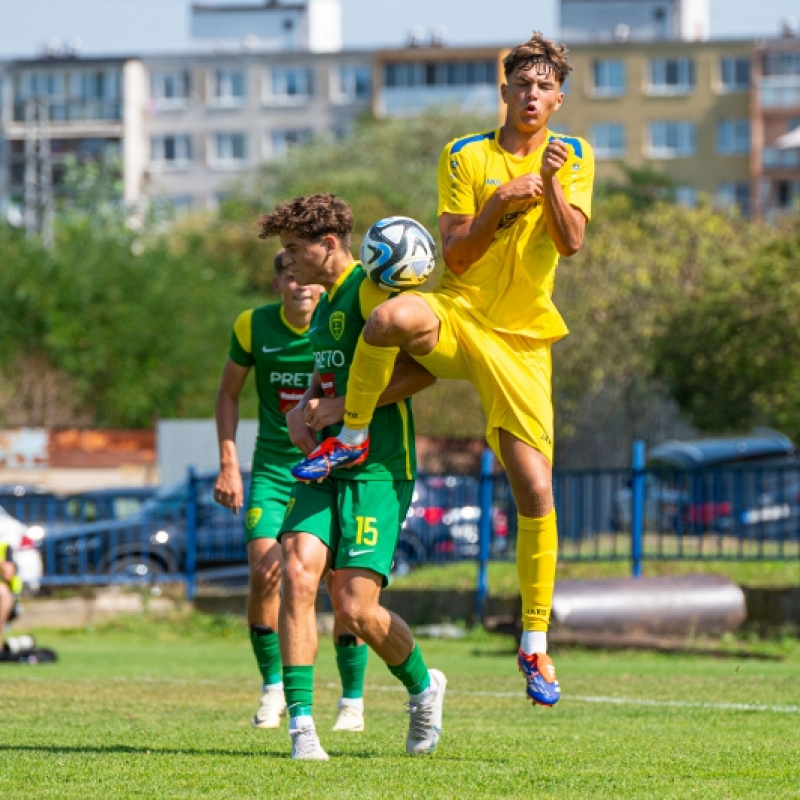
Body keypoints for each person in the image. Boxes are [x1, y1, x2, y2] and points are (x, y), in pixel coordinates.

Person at [293, 32, 595, 708]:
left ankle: (535, 642)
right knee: (389, 320)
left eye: (545, 87)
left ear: (558, 99)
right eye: (522, 84)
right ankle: (353, 432)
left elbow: (571, 242)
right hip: (459, 315)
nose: (532, 96)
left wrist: (545, 184)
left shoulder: (573, 156)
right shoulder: (465, 154)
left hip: (523, 344)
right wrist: (498, 202)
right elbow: (453, 257)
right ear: (505, 90)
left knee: (536, 492)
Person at [258, 193, 446, 761]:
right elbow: (328, 362)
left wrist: (341, 410)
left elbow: (426, 373)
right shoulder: (327, 305)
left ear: (329, 246)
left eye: (294, 250)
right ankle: (302, 728)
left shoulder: (375, 292)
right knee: (296, 570)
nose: (287, 261)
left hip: (380, 467)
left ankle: (423, 688)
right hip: (327, 466)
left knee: (355, 609)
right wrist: (305, 405)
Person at [214, 251, 369, 733]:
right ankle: (272, 688)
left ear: (322, 284)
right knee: (265, 572)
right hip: (274, 470)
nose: (299, 286)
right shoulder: (252, 326)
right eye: (288, 276)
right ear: (279, 283)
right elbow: (227, 394)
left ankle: (352, 701)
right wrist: (228, 464)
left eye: (305, 277)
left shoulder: (340, 322)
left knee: (339, 584)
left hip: (332, 464)